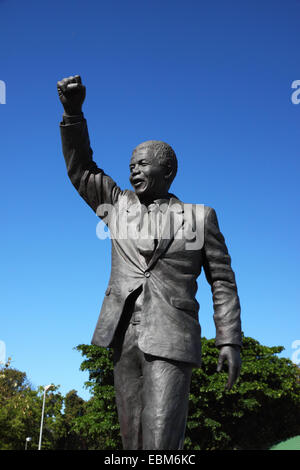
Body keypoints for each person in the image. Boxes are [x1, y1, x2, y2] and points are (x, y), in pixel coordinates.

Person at [57, 75, 242, 450]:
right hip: (122, 334)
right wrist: (73, 113)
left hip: (172, 336)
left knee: (160, 442)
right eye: (131, 166)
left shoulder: (199, 217)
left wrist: (230, 341)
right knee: (132, 441)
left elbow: (221, 280)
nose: (133, 172)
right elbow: (82, 170)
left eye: (142, 165)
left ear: (168, 171)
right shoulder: (117, 206)